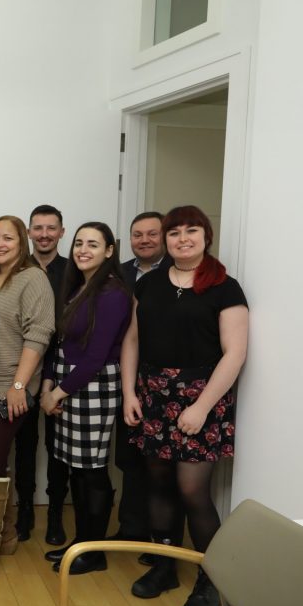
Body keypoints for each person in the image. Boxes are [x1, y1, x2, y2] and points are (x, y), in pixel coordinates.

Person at [122, 205, 248, 606]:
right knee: (157, 484)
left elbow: (235, 354)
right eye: (174, 233)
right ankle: (164, 566)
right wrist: (129, 393)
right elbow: (133, 340)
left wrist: (201, 407)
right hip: (154, 393)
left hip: (202, 395)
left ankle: (210, 580)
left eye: (191, 231)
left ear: (205, 236)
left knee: (193, 491)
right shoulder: (151, 283)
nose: (182, 239)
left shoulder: (225, 287)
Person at [40, 222, 131, 575]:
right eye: (79, 243)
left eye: (93, 244)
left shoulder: (113, 293)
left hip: (92, 387)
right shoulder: (79, 288)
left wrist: (56, 393)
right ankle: (79, 546)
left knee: (92, 472)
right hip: (69, 384)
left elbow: (94, 358)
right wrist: (48, 387)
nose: (83, 250)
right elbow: (60, 345)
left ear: (109, 251)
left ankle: (94, 553)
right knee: (76, 471)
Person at [0, 216, 54, 582]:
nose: (0, 244)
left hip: (10, 389)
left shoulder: (32, 277)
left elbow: (40, 333)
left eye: (8, 238)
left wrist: (19, 385)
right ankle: (6, 534)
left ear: (22, 241)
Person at [110, 211, 182, 555]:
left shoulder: (182, 273)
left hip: (175, 387)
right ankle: (131, 529)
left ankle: (165, 544)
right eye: (137, 234)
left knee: (168, 469)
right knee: (129, 459)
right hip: (132, 381)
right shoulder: (120, 273)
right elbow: (126, 333)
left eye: (152, 234)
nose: (145, 240)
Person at [14, 204, 70, 545]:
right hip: (23, 369)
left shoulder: (75, 270)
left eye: (52, 228)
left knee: (57, 447)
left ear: (62, 232)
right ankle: (23, 513)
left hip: (62, 374)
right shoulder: (18, 269)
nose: (45, 234)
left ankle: (54, 515)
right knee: (23, 445)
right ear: (30, 233)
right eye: (38, 228)